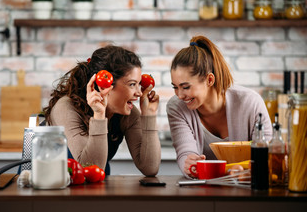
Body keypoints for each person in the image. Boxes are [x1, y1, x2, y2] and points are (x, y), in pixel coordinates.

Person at [43, 45, 161, 176]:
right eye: (132, 84)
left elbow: (150, 168)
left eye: (139, 84)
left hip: (97, 178)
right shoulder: (66, 108)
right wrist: (99, 115)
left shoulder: (127, 112)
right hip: (47, 184)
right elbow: (88, 170)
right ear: (104, 84)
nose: (139, 93)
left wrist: (149, 116)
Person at [166, 35, 272, 178]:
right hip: (203, 192)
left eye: (185, 87)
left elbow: (267, 154)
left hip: (249, 190)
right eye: (175, 87)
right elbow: (185, 152)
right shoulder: (176, 107)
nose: (179, 95)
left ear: (209, 80)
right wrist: (189, 163)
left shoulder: (250, 102)